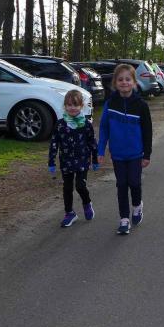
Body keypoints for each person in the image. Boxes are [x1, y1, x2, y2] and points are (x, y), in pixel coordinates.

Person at [97, 63, 153, 235]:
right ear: (115, 82)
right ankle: (124, 219)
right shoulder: (110, 103)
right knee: (121, 185)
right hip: (118, 154)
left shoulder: (141, 105)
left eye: (128, 79)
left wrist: (147, 154)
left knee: (134, 183)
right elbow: (104, 128)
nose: (124, 82)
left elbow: (148, 131)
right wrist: (100, 150)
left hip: (136, 153)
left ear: (134, 82)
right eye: (120, 79)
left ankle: (137, 206)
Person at [48, 89, 98, 228]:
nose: (72, 108)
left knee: (80, 186)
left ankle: (87, 203)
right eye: (69, 105)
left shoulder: (86, 124)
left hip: (82, 160)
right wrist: (51, 161)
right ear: (65, 106)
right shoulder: (60, 124)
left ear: (81, 106)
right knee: (67, 188)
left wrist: (95, 159)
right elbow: (54, 143)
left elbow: (92, 142)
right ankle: (69, 213)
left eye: (75, 105)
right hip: (66, 162)